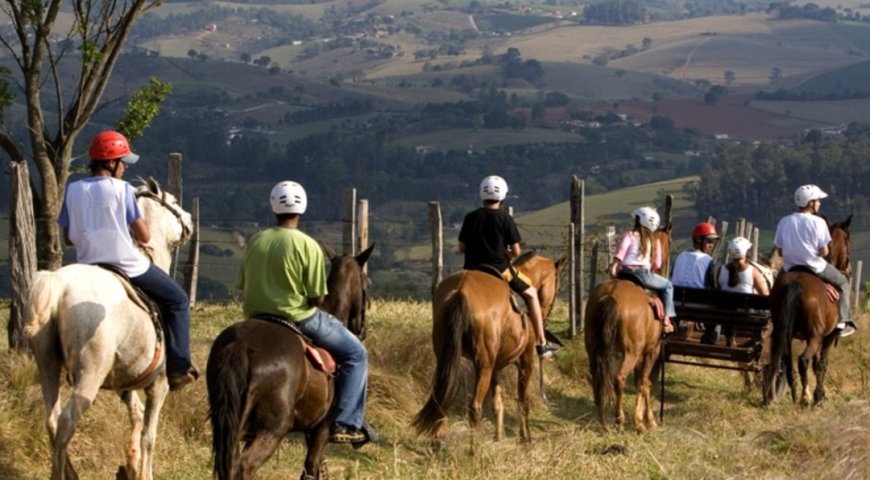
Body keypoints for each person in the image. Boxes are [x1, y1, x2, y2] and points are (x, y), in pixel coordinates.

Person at [58, 130, 197, 390]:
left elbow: (68, 236)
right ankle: (179, 368)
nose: (123, 168)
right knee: (177, 300)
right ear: (110, 163)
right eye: (122, 162)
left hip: (87, 266)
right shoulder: (123, 190)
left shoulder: (73, 189)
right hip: (126, 265)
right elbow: (144, 235)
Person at [237, 180, 373, 445]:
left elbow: (243, 284)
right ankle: (346, 422)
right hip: (298, 317)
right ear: (302, 209)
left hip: (254, 316)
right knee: (357, 354)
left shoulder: (255, 241)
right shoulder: (308, 245)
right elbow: (316, 297)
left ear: (273, 206)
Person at [458, 175, 557, 359]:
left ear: (482, 194)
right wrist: (507, 255)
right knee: (532, 294)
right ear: (502, 196)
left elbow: (461, 248)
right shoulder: (505, 218)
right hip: (500, 270)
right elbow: (517, 251)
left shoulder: (470, 217)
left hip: (471, 270)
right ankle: (542, 343)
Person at [774, 184, 856, 338]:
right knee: (843, 282)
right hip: (815, 267)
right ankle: (843, 321)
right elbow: (824, 251)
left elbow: (779, 251)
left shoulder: (784, 221)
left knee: (776, 288)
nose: (819, 203)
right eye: (818, 200)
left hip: (789, 268)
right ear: (810, 202)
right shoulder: (818, 222)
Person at [608, 206, 676, 333]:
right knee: (668, 286)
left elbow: (622, 250)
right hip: (642, 274)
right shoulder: (654, 241)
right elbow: (657, 264)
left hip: (625, 272)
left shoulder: (630, 234)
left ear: (640, 221)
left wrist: (615, 264)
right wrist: (652, 269)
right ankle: (667, 318)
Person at [705, 236, 770, 345]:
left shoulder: (721, 270)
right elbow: (765, 294)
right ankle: (757, 339)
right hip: (746, 314)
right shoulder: (753, 272)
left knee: (728, 304)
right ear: (746, 252)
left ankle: (729, 337)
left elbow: (720, 290)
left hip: (724, 312)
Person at [671, 222, 719, 289]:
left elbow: (672, 276)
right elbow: (712, 286)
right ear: (698, 240)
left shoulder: (680, 256)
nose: (711, 245)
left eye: (712, 242)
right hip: (697, 298)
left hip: (674, 298)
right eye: (709, 241)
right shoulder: (708, 260)